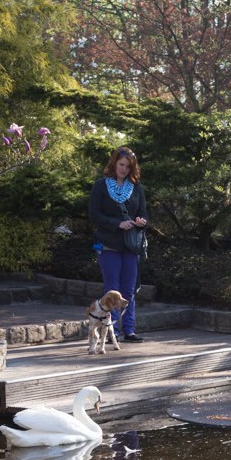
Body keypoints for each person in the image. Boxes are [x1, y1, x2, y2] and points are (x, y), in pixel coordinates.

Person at [88, 146, 148, 342]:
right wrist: (117, 224)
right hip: (108, 244)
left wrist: (140, 221)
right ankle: (110, 331)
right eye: (121, 165)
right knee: (112, 288)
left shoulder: (136, 188)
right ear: (114, 163)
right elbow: (94, 215)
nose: (124, 169)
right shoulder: (101, 185)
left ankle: (129, 330)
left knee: (129, 288)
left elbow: (144, 213)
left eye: (128, 167)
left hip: (130, 245)